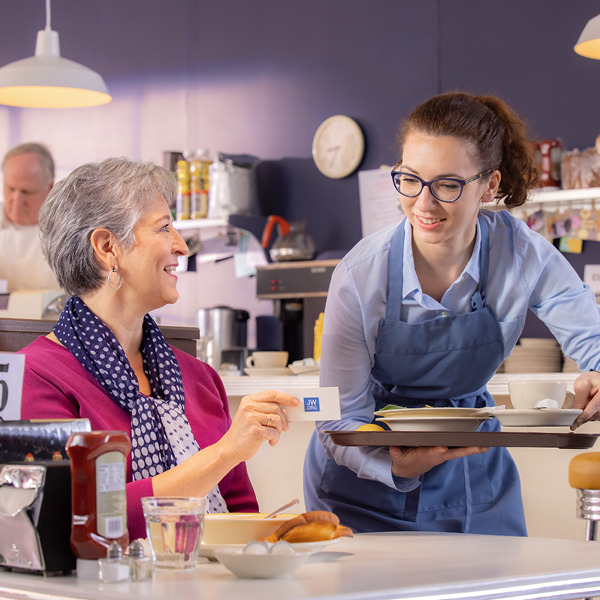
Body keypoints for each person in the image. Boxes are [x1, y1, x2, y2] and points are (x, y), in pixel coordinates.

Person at [303, 91, 600, 537]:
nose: (423, 204)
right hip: (364, 483)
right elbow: (338, 415)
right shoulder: (361, 274)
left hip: (472, 468)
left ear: (490, 185)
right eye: (409, 179)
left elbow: (592, 338)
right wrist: (394, 467)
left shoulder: (521, 253)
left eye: (447, 184)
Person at [19, 157, 299, 539]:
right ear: (106, 247)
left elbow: (243, 519)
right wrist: (225, 452)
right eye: (164, 227)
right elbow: (79, 519)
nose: (181, 246)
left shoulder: (199, 378)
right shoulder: (36, 378)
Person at [0, 142, 60, 291]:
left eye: (27, 192)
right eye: (11, 188)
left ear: (50, 188)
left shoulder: (68, 233)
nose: (17, 200)